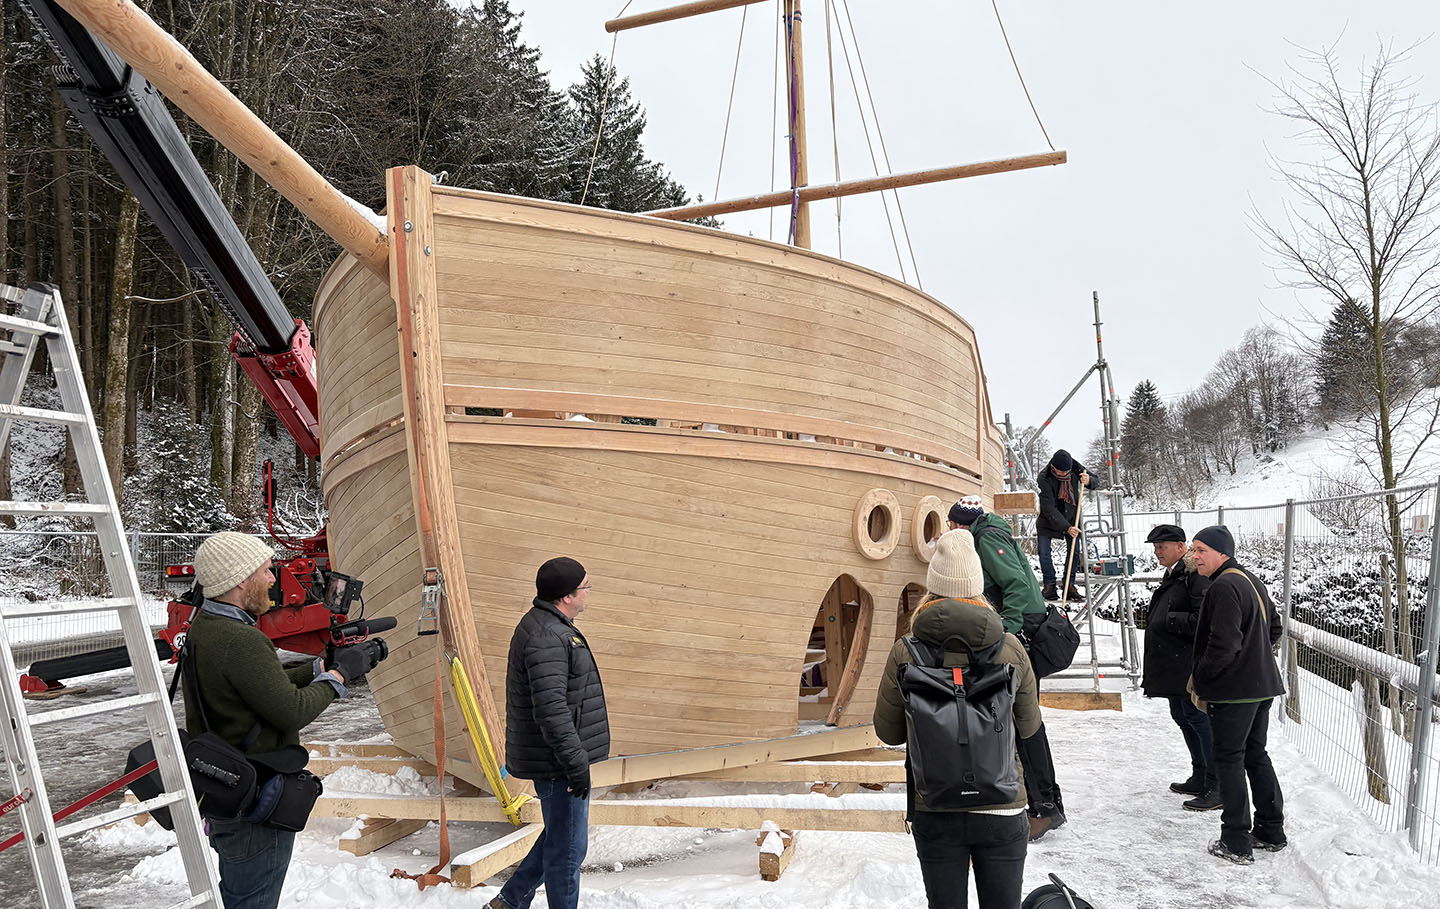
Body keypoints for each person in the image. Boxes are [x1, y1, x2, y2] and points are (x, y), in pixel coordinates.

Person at [186, 531, 378, 909]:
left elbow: (259, 689)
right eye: (266, 570)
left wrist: (318, 668)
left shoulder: (205, 626)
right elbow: (291, 710)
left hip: (224, 785)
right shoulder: (241, 640)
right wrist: (340, 678)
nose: (274, 579)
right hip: (255, 799)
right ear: (241, 580)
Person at [874, 530, 1042, 909]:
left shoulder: (906, 651)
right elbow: (1030, 727)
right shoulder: (1009, 646)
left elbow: (889, 733)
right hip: (1002, 804)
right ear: (978, 586)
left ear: (932, 586)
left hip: (935, 804)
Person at [491, 557, 610, 909]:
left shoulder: (549, 626)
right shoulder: (547, 636)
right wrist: (575, 763)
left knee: (562, 840)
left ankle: (510, 901)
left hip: (555, 757)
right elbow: (551, 709)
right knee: (567, 853)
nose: (589, 592)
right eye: (586, 587)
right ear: (567, 596)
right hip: (557, 762)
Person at [948, 496, 1067, 841]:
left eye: (954, 526)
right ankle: (1045, 802)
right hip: (1023, 629)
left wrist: (1007, 632)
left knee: (1023, 723)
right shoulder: (992, 534)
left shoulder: (986, 541)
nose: (952, 531)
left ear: (963, 525)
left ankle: (1044, 808)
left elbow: (1015, 585)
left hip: (1022, 631)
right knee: (1024, 722)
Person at [1189, 526, 1287, 865]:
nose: (1195, 556)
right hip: (1261, 686)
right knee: (1255, 755)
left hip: (1234, 692)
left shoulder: (1224, 586)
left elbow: (1224, 644)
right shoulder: (1250, 580)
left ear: (1222, 553)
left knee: (1229, 759)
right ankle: (1270, 830)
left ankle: (1235, 839)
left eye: (1201, 550)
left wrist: (1201, 677)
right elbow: (1274, 627)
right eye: (1193, 549)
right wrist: (1254, 659)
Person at [1139, 524, 1218, 810]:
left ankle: (1215, 782)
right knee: (1183, 717)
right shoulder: (1176, 574)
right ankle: (1200, 775)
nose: (1157, 552)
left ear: (1180, 547)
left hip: (1186, 663)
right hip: (1173, 664)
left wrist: (1170, 619)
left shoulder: (1194, 577)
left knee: (1197, 719)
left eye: (1162, 547)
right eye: (1155, 548)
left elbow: (1203, 621)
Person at [1036, 450, 1092, 601]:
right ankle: (1049, 586)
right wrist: (1067, 527)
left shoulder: (1074, 467)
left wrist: (1089, 480)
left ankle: (1069, 585)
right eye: (1062, 471)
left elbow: (1095, 480)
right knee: (1044, 553)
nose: (1066, 473)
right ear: (1053, 467)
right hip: (1049, 519)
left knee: (1074, 552)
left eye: (1067, 471)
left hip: (1072, 516)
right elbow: (1048, 508)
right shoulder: (1044, 477)